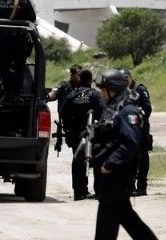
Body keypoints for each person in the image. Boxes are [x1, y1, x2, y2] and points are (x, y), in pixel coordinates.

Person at [91, 69, 158, 240]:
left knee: (108, 217)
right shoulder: (113, 109)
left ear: (113, 90)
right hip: (112, 176)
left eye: (103, 89)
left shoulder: (128, 112)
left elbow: (131, 142)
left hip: (119, 175)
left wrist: (110, 163)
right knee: (125, 216)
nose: (101, 93)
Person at [0, 0, 37, 102]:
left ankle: (7, 92)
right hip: (18, 41)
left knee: (4, 67)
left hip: (3, 41)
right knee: (19, 67)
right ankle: (15, 94)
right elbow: (32, 18)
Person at [60, 70, 104, 200]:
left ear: (80, 79)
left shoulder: (72, 94)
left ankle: (79, 192)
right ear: (90, 81)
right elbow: (103, 109)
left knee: (78, 160)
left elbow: (63, 112)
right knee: (97, 160)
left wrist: (69, 127)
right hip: (92, 133)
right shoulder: (95, 95)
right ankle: (99, 192)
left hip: (76, 133)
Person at [120, 68, 153, 197]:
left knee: (142, 158)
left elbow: (147, 109)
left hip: (140, 128)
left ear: (131, 77)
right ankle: (130, 186)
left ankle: (142, 187)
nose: (124, 82)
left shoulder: (140, 89)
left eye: (126, 79)